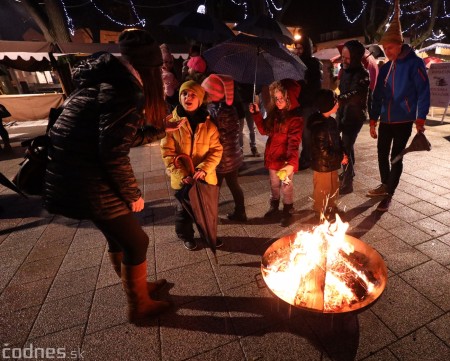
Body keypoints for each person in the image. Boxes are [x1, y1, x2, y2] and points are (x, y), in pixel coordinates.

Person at [43, 29, 174, 323]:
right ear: (149, 69)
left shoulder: (108, 79)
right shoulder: (125, 91)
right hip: (87, 178)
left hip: (75, 173)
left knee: (119, 237)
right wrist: (133, 194)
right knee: (137, 241)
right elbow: (112, 153)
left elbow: (112, 138)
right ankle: (139, 305)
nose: (163, 74)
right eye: (161, 68)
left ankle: (138, 289)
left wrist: (158, 131)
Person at [368, 0, 430, 212]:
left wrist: (420, 117)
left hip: (404, 118)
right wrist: (373, 118)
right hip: (386, 118)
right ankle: (386, 184)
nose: (387, 51)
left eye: (390, 47)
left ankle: (389, 194)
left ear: (400, 44)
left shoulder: (415, 63)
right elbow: (377, 94)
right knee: (381, 152)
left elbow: (423, 91)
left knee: (396, 157)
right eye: (384, 48)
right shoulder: (386, 68)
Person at [161, 80, 223, 251]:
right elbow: (168, 153)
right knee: (184, 212)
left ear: (200, 99)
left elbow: (216, 150)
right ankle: (186, 235)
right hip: (183, 179)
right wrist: (183, 175)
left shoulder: (209, 124)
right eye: (184, 93)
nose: (188, 97)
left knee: (206, 211)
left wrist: (204, 168)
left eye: (193, 95)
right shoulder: (171, 123)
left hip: (204, 177)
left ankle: (208, 235)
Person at [249, 79, 303, 227]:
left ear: (289, 98)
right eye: (276, 98)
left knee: (286, 186)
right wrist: (257, 114)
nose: (278, 102)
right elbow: (263, 130)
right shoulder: (274, 114)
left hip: (285, 161)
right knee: (273, 184)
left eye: (282, 99)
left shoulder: (295, 119)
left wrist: (291, 163)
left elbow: (294, 144)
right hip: (273, 157)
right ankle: (274, 204)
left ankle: (287, 209)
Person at [201, 74, 247, 222]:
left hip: (221, 158)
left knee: (214, 188)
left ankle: (211, 217)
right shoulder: (229, 108)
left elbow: (213, 133)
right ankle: (241, 213)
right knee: (234, 185)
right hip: (232, 155)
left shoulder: (215, 111)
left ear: (212, 94)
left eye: (206, 93)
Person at [336, 39, 370, 195]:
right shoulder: (345, 71)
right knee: (345, 146)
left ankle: (348, 182)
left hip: (354, 116)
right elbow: (341, 89)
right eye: (343, 56)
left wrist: (342, 98)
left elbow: (356, 93)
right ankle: (349, 172)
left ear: (355, 57)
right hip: (342, 113)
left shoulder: (363, 74)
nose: (344, 59)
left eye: (347, 57)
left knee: (345, 148)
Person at [309, 89, 345, 220]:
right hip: (322, 165)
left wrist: (342, 154)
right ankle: (319, 211)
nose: (338, 103)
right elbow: (323, 151)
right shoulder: (319, 126)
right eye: (335, 101)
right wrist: (340, 157)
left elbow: (337, 140)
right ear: (328, 105)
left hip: (332, 162)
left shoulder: (331, 121)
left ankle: (331, 206)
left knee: (333, 186)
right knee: (322, 189)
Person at [293, 35, 323, 170]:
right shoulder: (296, 63)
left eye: (301, 48)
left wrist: (304, 81)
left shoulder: (312, 64)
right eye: (296, 48)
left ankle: (306, 158)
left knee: (306, 133)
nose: (298, 51)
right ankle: (305, 156)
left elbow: (315, 85)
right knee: (299, 132)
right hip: (298, 103)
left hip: (308, 104)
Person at [235, 82, 260, 157]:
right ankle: (240, 149)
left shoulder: (251, 78)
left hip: (249, 103)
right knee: (240, 129)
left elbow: (257, 93)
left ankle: (253, 147)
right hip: (239, 104)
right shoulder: (236, 79)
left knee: (251, 127)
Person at [160, 44, 180, 111]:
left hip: (171, 107)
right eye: (165, 62)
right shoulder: (155, 74)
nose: (168, 65)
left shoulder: (173, 73)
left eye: (170, 62)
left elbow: (175, 94)